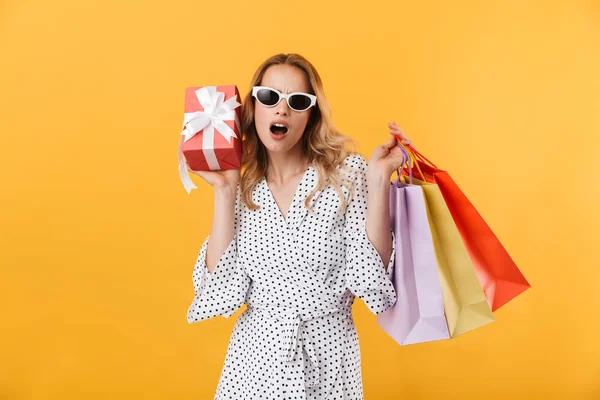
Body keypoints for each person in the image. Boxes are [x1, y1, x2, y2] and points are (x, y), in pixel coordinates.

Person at [186, 53, 414, 400]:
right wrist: (224, 189)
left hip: (329, 362)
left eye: (297, 101)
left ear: (311, 115)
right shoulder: (243, 189)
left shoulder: (347, 175)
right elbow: (220, 292)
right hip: (253, 366)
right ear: (252, 107)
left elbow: (373, 283)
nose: (282, 109)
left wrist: (379, 178)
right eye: (269, 97)